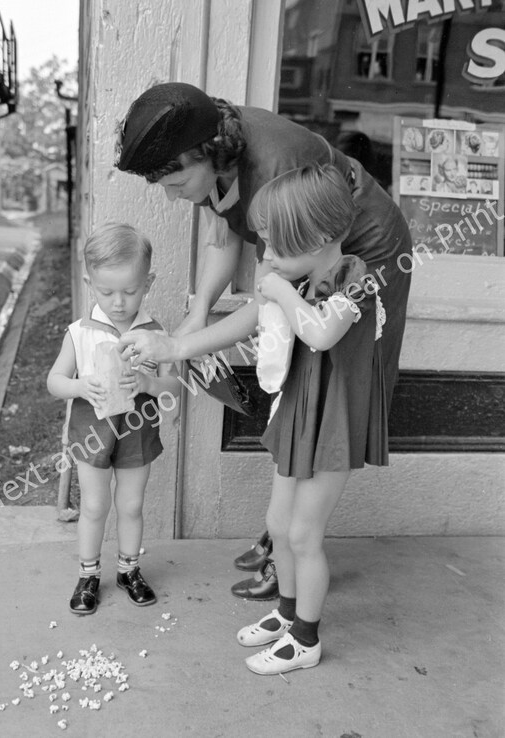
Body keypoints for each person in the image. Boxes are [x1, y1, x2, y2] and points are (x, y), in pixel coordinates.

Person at [114, 82, 411, 601]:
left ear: (206, 153)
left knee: (332, 391)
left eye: (174, 182)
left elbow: (268, 299)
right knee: (300, 388)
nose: (170, 195)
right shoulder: (212, 148)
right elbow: (225, 232)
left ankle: (294, 543)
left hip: (368, 249)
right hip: (307, 261)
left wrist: (182, 347)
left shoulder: (277, 167)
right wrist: (197, 315)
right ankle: (283, 532)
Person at [237, 163, 388, 675]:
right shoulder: (301, 278)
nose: (267, 256)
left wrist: (281, 292)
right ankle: (286, 612)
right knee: (279, 525)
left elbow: (322, 333)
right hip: (301, 413)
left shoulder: (357, 278)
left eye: (275, 244)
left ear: (320, 236)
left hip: (334, 424)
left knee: (304, 534)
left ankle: (306, 639)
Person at [47, 223, 181, 615]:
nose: (119, 303)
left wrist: (149, 383)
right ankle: (88, 574)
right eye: (107, 292)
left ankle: (129, 570)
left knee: (132, 504)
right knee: (94, 505)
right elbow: (54, 381)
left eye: (130, 291)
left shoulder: (154, 334)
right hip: (92, 432)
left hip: (137, 431)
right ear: (90, 284)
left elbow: (174, 387)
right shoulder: (79, 332)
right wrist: (79, 386)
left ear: (148, 283)